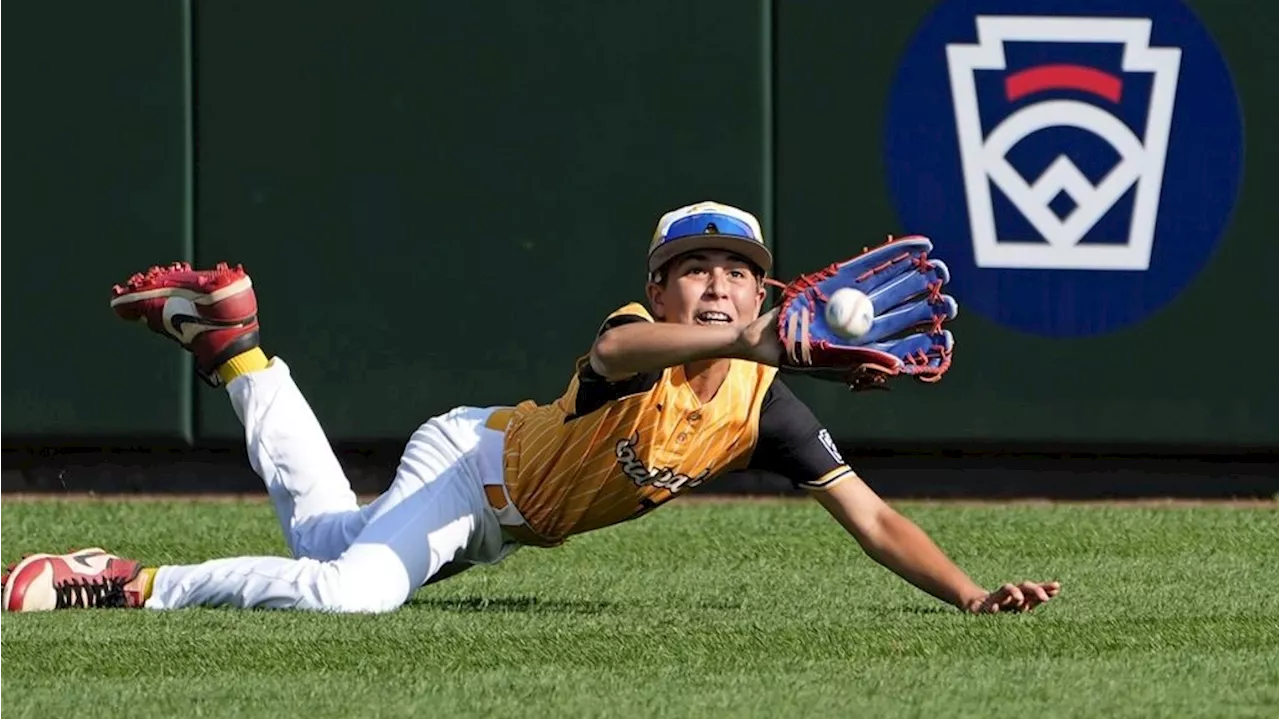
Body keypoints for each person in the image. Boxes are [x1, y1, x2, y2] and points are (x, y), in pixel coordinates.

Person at [2, 201, 1060, 615]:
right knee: (351, 594)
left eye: (736, 272)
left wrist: (969, 596)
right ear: (658, 288)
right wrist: (745, 335)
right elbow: (612, 350)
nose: (715, 284)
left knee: (325, 541)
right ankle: (125, 582)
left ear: (769, 288)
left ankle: (235, 348)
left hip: (506, 522)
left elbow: (872, 516)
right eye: (690, 268)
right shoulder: (640, 335)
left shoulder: (761, 407)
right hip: (472, 465)